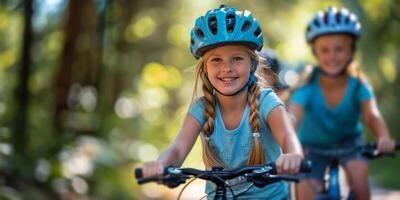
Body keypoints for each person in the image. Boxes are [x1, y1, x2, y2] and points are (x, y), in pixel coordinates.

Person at [141, 5, 304, 199]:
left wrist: (292, 155)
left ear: (252, 65)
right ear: (204, 69)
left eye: (236, 59)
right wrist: (162, 164)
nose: (227, 68)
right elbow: (177, 148)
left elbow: (287, 136)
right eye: (216, 60)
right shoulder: (201, 110)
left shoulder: (266, 101)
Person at [288, 6, 396, 200]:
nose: (332, 56)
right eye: (325, 50)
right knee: (304, 192)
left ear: (351, 51)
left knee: (361, 182)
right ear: (315, 52)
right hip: (311, 146)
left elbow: (371, 113)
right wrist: (289, 145)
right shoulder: (307, 84)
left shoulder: (358, 84)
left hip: (350, 143)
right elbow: (294, 115)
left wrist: (384, 137)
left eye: (339, 49)